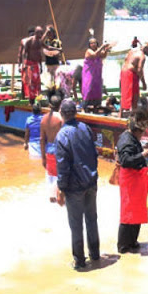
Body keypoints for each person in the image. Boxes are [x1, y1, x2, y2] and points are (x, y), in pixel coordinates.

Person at [55, 99, 100, 269]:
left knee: (76, 225)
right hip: (91, 182)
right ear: (75, 112)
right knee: (91, 220)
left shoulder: (62, 135)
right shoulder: (85, 128)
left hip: (75, 188)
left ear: (62, 114)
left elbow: (62, 165)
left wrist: (61, 188)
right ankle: (95, 254)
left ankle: (80, 261)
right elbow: (93, 155)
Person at [116, 110, 148, 253]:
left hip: (136, 181)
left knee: (136, 212)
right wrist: (143, 154)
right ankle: (124, 245)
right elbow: (126, 161)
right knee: (128, 214)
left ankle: (132, 242)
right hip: (131, 181)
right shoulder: (126, 140)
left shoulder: (130, 138)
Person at [119, 39, 148, 117]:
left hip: (123, 72)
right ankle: (134, 118)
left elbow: (126, 61)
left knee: (124, 95)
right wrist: (143, 83)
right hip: (130, 74)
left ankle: (120, 115)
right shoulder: (142, 56)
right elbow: (139, 70)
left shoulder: (131, 52)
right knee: (135, 97)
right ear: (146, 48)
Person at [40, 95, 63, 202]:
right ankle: (60, 199)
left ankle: (52, 198)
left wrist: (43, 157)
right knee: (60, 175)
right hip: (60, 151)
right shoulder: (61, 119)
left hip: (49, 151)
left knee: (50, 176)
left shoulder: (44, 119)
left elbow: (41, 139)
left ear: (49, 105)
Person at [19, 26, 47, 104]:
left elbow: (39, 55)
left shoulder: (38, 41)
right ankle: (25, 96)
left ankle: (35, 99)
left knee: (36, 82)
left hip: (35, 64)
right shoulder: (25, 41)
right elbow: (21, 54)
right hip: (28, 64)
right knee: (26, 81)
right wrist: (21, 65)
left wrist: (40, 65)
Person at [82, 37, 110, 111]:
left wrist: (106, 50)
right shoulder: (88, 51)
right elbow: (94, 55)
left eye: (94, 42)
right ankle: (85, 105)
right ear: (89, 44)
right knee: (89, 87)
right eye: (92, 43)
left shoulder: (98, 50)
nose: (93, 44)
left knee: (97, 87)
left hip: (97, 73)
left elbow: (103, 56)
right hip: (89, 73)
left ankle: (96, 105)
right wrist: (102, 46)